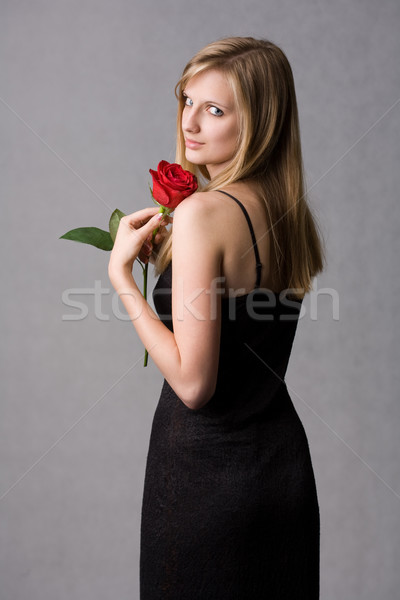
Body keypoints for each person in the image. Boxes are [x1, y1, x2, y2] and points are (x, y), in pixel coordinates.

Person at [108, 36, 325, 600]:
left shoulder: (204, 212)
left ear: (260, 122)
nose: (190, 123)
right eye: (187, 101)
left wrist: (123, 282)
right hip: (281, 472)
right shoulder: (283, 209)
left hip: (206, 481)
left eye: (215, 109)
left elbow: (194, 383)